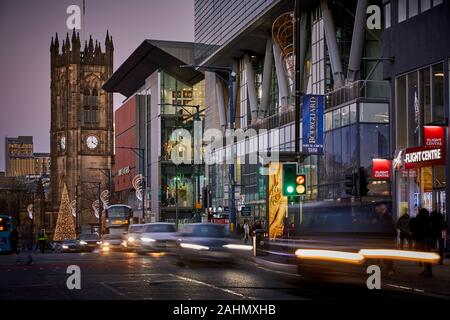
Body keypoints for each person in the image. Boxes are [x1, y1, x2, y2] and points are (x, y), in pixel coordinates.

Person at [411, 208, 433, 277]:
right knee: (428, 255)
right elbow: (431, 228)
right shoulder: (429, 218)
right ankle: (428, 271)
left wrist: (414, 236)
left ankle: (426, 271)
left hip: (420, 239)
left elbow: (414, 228)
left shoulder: (417, 218)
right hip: (428, 238)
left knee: (423, 254)